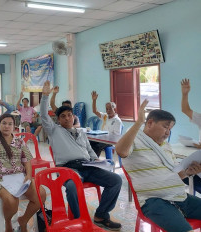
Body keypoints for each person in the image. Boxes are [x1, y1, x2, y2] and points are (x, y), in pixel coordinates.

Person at [41, 80, 122, 231]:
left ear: (74, 117)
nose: (67, 118)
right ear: (58, 120)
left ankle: (101, 215)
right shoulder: (54, 131)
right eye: (63, 116)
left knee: (116, 180)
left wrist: (96, 160)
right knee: (72, 186)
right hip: (68, 169)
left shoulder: (81, 132)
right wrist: (46, 96)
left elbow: (89, 150)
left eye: (69, 115)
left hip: (87, 166)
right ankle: (79, 220)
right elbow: (44, 116)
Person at [115, 101, 201, 232]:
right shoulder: (135, 139)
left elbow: (174, 174)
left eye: (170, 129)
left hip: (179, 197)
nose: (168, 133)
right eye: (165, 127)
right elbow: (121, 151)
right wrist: (138, 123)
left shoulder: (166, 146)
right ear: (149, 123)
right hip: (154, 201)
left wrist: (187, 172)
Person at [0, 101, 46, 232]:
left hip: (19, 176)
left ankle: (23, 220)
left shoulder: (19, 141)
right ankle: (8, 223)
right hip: (0, 178)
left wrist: (28, 176)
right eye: (4, 123)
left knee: (41, 193)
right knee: (11, 201)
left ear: (15, 126)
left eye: (10, 124)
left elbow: (27, 160)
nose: (6, 126)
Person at [91, 91, 123, 156]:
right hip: (102, 138)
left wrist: (105, 138)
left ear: (114, 109)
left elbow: (116, 136)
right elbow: (95, 111)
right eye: (107, 109)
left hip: (110, 141)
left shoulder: (117, 121)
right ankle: (91, 160)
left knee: (97, 146)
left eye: (110, 109)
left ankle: (95, 161)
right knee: (90, 143)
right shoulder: (105, 116)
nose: (108, 111)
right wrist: (94, 100)